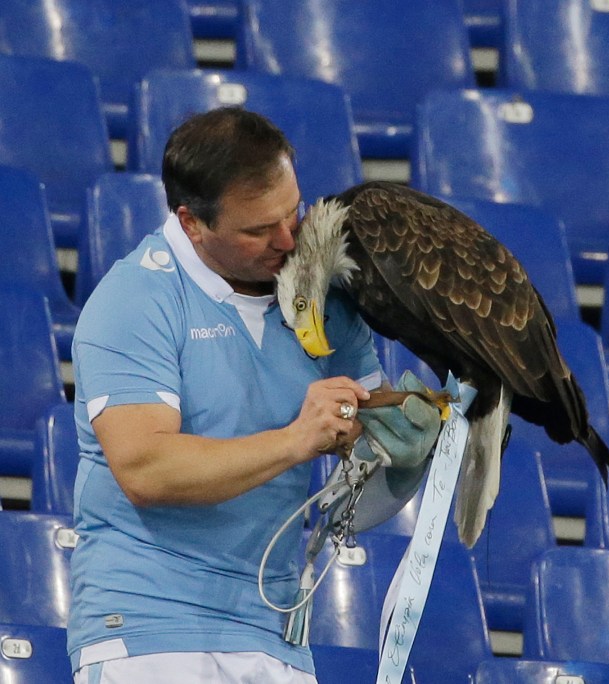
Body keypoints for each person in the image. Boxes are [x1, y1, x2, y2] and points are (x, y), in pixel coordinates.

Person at [67, 107, 431, 683]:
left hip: (275, 630)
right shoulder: (135, 297)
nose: (288, 240)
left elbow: (354, 496)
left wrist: (404, 457)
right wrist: (295, 441)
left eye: (294, 213)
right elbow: (145, 469)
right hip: (147, 625)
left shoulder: (327, 297)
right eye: (259, 230)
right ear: (192, 224)